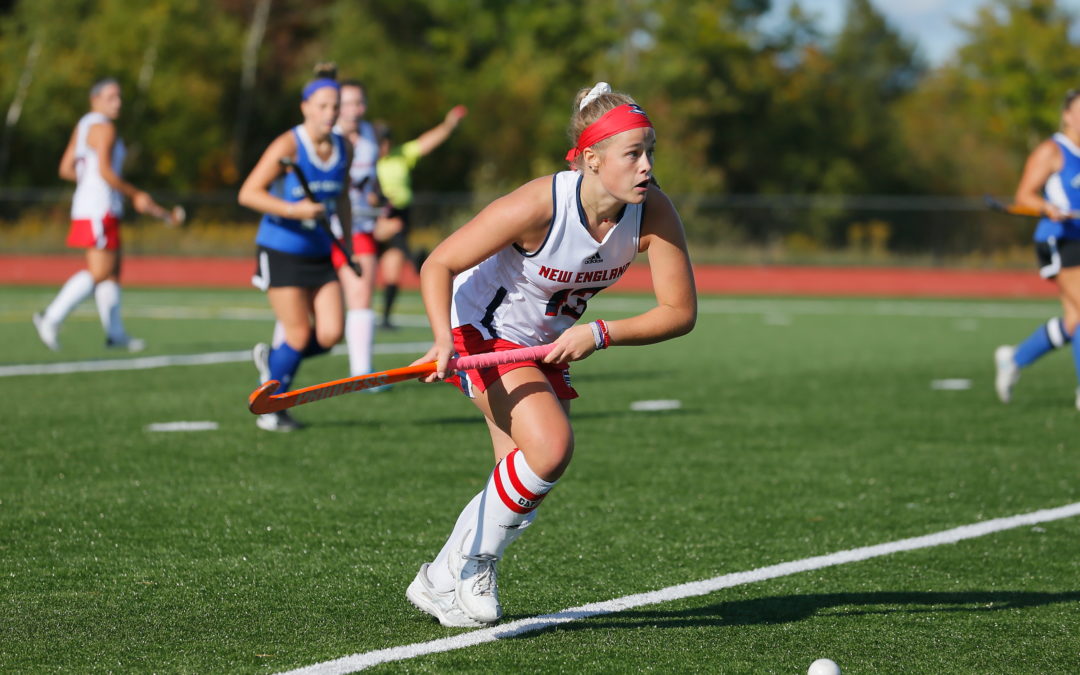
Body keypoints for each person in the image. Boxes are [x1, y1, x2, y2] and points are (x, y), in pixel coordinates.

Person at [404, 82, 697, 627]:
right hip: (483, 331)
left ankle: (439, 578)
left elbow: (679, 311)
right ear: (592, 159)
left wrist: (601, 333)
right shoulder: (542, 202)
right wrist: (442, 340)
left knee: (519, 481)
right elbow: (438, 263)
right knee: (551, 447)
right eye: (633, 154)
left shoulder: (652, 211)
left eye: (650, 152)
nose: (647, 167)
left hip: (543, 344)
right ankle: (471, 565)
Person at [240, 64, 352, 432]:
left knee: (331, 334)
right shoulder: (289, 144)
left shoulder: (343, 147)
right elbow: (248, 193)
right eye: (322, 106)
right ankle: (272, 407)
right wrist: (294, 209)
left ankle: (273, 363)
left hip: (319, 250)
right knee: (299, 334)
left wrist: (347, 243)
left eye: (335, 106)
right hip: (281, 248)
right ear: (305, 107)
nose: (329, 113)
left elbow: (344, 198)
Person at [33, 77, 171, 352]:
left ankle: (115, 333)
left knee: (112, 272)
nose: (118, 102)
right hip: (99, 208)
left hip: (95, 206)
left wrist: (89, 184)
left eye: (119, 97)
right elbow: (106, 171)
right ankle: (51, 317)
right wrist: (135, 194)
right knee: (100, 271)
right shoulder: (105, 128)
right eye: (111, 97)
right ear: (94, 99)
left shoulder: (83, 125)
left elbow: (66, 169)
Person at [995, 87, 1080, 408]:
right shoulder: (1052, 151)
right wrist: (1047, 207)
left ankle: (1014, 359)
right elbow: (1024, 197)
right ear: (1067, 116)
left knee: (1074, 321)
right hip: (1059, 238)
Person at [373, 105, 467, 329]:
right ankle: (415, 260)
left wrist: (448, 125)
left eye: (387, 140)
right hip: (375, 216)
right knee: (365, 267)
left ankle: (385, 318)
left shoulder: (399, 156)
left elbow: (426, 142)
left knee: (393, 270)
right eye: (379, 141)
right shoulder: (364, 161)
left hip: (399, 217)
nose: (384, 145)